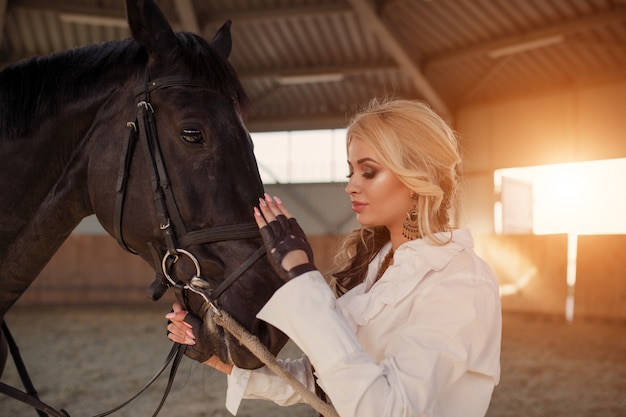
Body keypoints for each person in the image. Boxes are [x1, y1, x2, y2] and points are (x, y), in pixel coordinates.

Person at [166, 98, 502, 417]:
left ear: (419, 176)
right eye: (350, 173)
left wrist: (302, 277)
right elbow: (327, 380)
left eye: (368, 172)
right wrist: (216, 357)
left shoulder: (460, 280)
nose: (351, 186)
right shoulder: (377, 264)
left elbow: (386, 409)